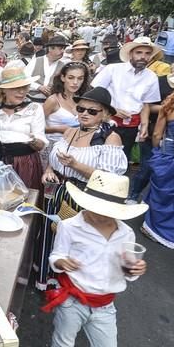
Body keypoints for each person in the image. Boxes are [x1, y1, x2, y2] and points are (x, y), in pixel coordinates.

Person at [44, 170, 148, 347]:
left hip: (105, 306)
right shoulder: (69, 226)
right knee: (62, 346)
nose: (99, 216)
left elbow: (127, 267)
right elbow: (56, 255)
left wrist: (134, 269)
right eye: (95, 209)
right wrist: (61, 262)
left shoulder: (126, 234)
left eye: (106, 212)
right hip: (72, 302)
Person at [39, 87, 128, 290]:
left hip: (84, 198)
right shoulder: (71, 130)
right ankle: (47, 277)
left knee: (75, 242)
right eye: (81, 109)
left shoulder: (109, 138)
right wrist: (49, 169)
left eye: (92, 111)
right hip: (57, 192)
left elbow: (109, 179)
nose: (84, 114)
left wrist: (75, 165)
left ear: (104, 114)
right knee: (51, 235)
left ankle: (71, 286)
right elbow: (55, 156)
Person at [128, 56, 174, 203]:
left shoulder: (172, 105)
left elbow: (158, 133)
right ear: (173, 67)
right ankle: (134, 195)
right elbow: (145, 104)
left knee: (163, 182)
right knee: (149, 170)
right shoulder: (159, 82)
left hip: (169, 147)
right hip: (155, 135)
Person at [141, 67, 174, 248]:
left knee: (162, 193)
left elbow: (156, 134)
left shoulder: (170, 105)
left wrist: (158, 151)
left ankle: (153, 228)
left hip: (169, 155)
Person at [91, 36, 160, 160]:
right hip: (107, 121)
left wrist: (144, 125)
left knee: (122, 158)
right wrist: (113, 109)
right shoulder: (112, 69)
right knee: (99, 156)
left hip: (132, 126)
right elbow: (94, 93)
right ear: (130, 54)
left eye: (147, 53)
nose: (143, 57)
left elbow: (145, 104)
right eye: (139, 52)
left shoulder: (152, 77)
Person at [0, 67, 48, 190]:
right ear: (4, 90)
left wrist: (34, 141)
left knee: (24, 200)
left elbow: (41, 143)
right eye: (16, 88)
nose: (21, 92)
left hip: (25, 162)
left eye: (24, 88)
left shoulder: (34, 108)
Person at [25, 34, 68, 103]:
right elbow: (24, 79)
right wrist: (38, 87)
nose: (63, 51)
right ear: (50, 48)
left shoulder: (63, 66)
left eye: (64, 48)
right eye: (60, 48)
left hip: (52, 103)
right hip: (32, 101)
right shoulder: (36, 61)